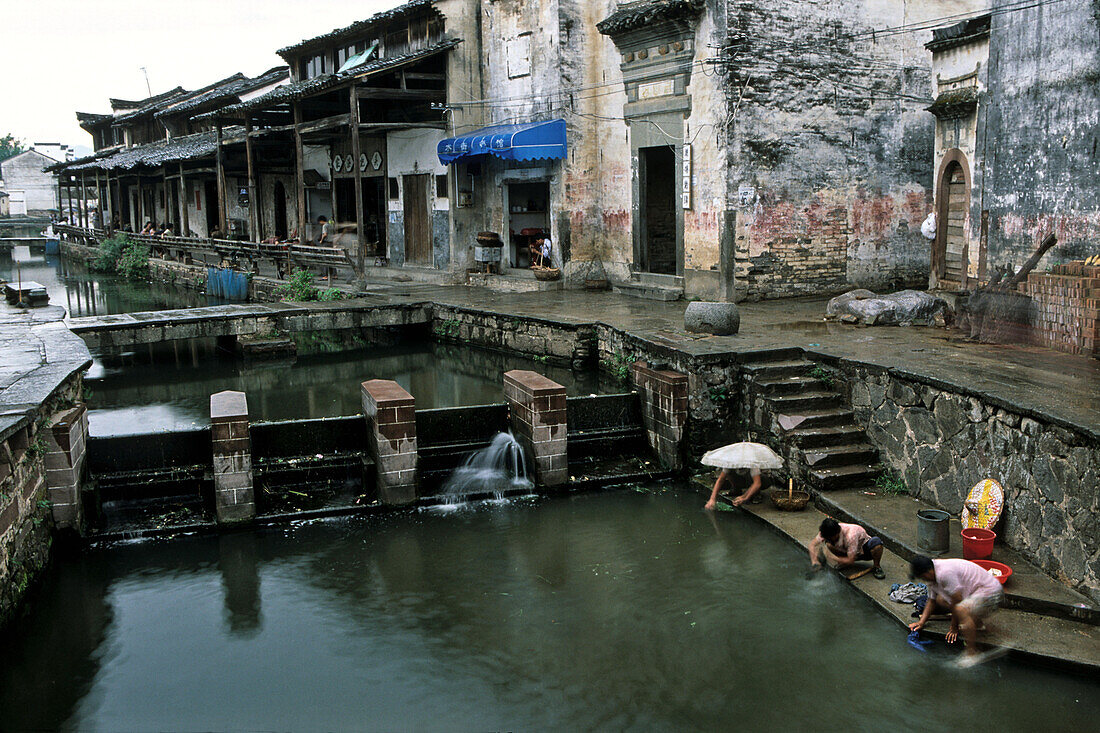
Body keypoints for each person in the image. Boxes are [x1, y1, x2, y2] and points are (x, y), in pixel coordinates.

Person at [908, 555, 1003, 664]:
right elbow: (931, 600)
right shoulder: (933, 573)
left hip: (992, 593)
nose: (923, 580)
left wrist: (954, 627)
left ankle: (972, 653)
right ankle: (977, 624)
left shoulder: (944, 573)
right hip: (976, 592)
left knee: (961, 610)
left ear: (928, 572)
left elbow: (957, 602)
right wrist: (921, 622)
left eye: (923, 577)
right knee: (941, 600)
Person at [809, 517, 885, 578]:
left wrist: (831, 557)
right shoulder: (826, 531)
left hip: (863, 552)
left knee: (876, 543)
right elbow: (812, 545)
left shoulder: (851, 535)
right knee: (829, 544)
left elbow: (851, 560)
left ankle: (877, 566)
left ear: (836, 534)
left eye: (830, 537)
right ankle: (844, 561)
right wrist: (814, 562)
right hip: (848, 551)